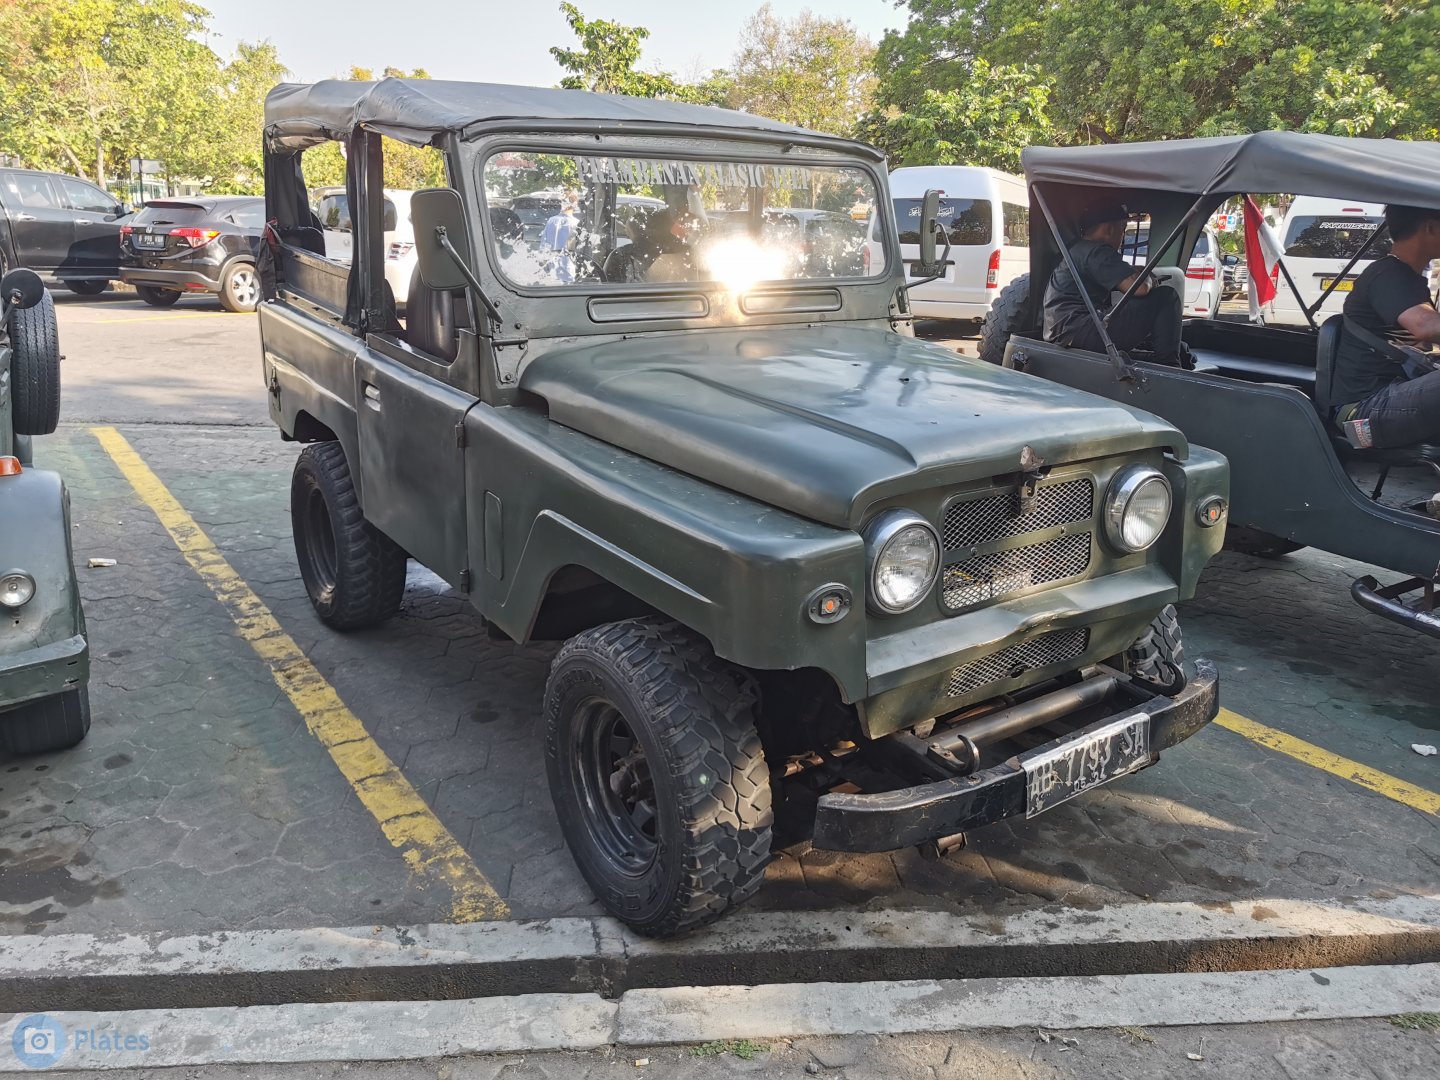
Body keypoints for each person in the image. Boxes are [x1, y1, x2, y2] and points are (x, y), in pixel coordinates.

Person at [1332, 204, 1440, 448]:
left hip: (1390, 400)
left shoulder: (1408, 279)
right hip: (1362, 413)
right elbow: (1424, 325)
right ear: (1431, 227)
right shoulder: (1388, 274)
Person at [1044, 202, 1187, 366]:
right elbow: (1139, 289)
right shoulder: (1097, 251)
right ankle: (1170, 367)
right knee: (1167, 296)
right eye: (1123, 229)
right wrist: (1149, 278)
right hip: (1080, 329)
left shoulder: (1079, 249)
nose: (1123, 236)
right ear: (1109, 229)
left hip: (1065, 330)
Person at [539, 195, 579, 283]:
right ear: (575, 204)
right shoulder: (576, 223)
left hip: (551, 273)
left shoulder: (551, 221)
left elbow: (543, 248)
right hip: (569, 273)